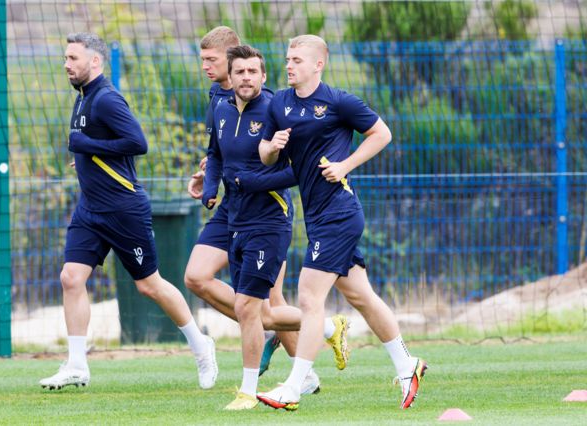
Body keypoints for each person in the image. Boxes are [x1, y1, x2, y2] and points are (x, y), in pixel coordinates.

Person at [256, 35, 427, 411]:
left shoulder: (338, 102)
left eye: (297, 60)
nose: (289, 65)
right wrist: (272, 146)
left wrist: (345, 165)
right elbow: (265, 155)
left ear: (319, 64)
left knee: (309, 298)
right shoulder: (279, 104)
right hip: (316, 214)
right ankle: (407, 365)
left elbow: (382, 134)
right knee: (360, 296)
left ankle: (293, 387)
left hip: (340, 211)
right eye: (287, 59)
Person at [39, 32, 217, 391]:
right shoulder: (82, 98)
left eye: (73, 58)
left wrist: (85, 146)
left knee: (148, 285)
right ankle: (77, 365)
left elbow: (138, 143)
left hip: (123, 208)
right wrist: (84, 160)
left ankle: (201, 345)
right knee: (71, 278)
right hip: (90, 208)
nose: (66, 64)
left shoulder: (106, 98)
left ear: (95, 62)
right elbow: (101, 147)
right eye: (65, 57)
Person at [185, 27, 348, 386]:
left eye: (211, 60)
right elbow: (217, 152)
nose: (205, 67)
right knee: (199, 278)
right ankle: (313, 333)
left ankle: (304, 369)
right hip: (232, 207)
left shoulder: (275, 106)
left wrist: (252, 178)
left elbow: (295, 165)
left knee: (268, 307)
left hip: (267, 213)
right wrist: (209, 184)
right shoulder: (218, 100)